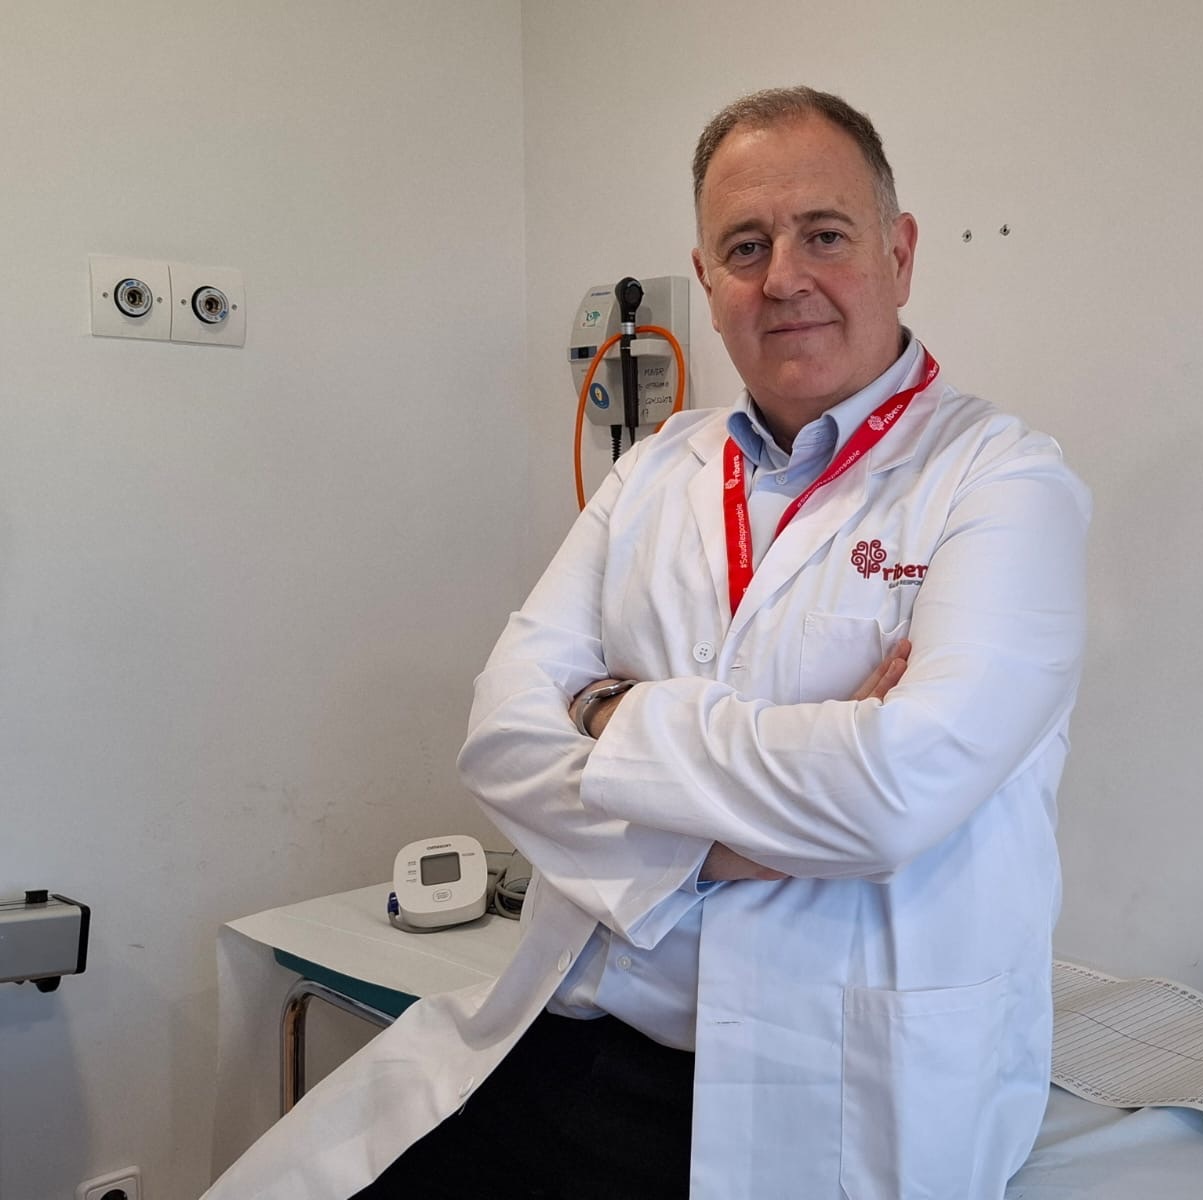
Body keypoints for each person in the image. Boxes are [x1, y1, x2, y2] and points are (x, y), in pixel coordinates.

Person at [204, 86, 1089, 1200]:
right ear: (708, 281)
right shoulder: (653, 469)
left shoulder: (1004, 483)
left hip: (837, 1092)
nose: (784, 277)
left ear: (899, 253)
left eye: (825, 234)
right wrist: (731, 836)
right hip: (579, 1032)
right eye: (746, 247)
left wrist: (611, 711)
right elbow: (501, 739)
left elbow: (890, 793)